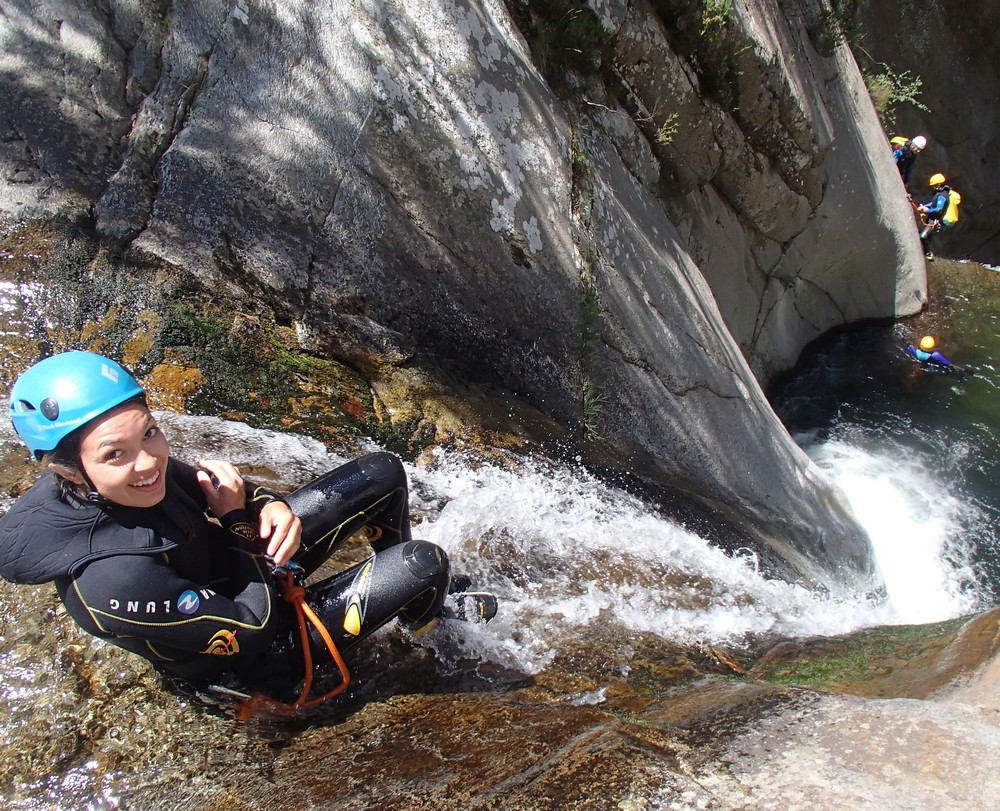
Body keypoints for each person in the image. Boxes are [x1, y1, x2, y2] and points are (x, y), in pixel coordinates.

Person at [0, 351, 496, 712]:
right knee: (422, 564)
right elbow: (254, 626)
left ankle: (418, 609)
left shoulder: (132, 478)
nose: (149, 461)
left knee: (382, 473)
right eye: (116, 453)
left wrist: (267, 505)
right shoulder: (110, 581)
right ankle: (436, 634)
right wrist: (240, 524)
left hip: (245, 571)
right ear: (66, 470)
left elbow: (221, 492)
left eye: (150, 431)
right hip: (259, 654)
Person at [917, 173, 950, 258]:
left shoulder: (943, 196)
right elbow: (933, 203)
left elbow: (938, 209)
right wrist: (925, 206)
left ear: (939, 184)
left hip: (934, 221)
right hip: (931, 218)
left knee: (923, 236)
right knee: (927, 237)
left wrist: (927, 210)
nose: (933, 187)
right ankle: (924, 253)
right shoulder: (939, 194)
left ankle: (928, 253)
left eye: (934, 185)